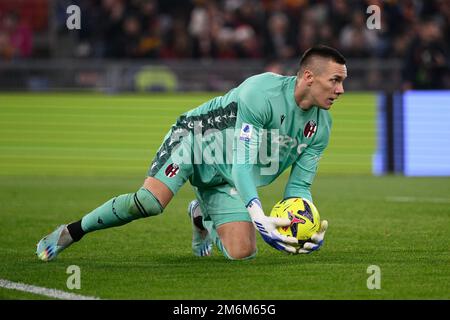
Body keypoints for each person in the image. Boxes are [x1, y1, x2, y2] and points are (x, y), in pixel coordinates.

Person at [36, 45, 347, 261]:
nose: (340, 90)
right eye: (335, 80)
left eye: (342, 82)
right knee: (149, 202)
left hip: (226, 176)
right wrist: (257, 213)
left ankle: (201, 214)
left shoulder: (322, 127)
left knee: (243, 253)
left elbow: (299, 188)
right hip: (194, 142)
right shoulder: (262, 92)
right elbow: (242, 164)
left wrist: (303, 224)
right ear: (309, 76)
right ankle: (72, 232)